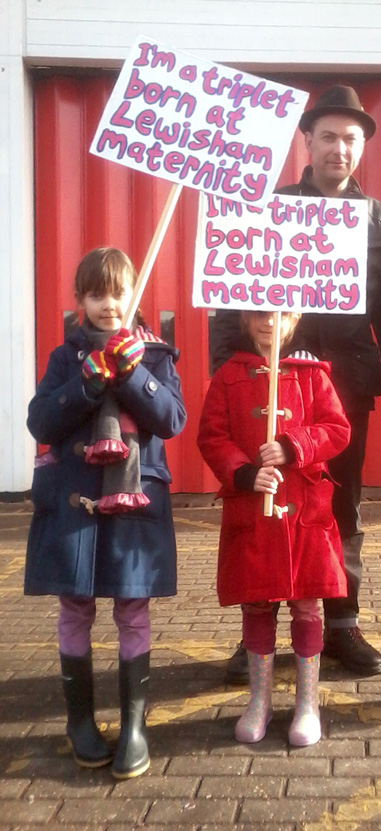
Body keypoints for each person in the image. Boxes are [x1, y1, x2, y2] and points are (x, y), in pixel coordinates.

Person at [211, 85, 381, 680]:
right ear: (307, 140)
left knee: (338, 506)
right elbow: (231, 301)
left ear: (362, 148)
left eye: (351, 139)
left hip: (343, 387)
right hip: (269, 385)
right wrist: (226, 370)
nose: (340, 148)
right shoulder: (269, 208)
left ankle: (343, 625)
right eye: (329, 136)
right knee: (264, 501)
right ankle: (260, 630)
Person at [24, 247, 187, 778]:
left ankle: (134, 727)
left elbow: (171, 420)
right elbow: (41, 423)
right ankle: (80, 723)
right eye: (96, 293)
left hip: (134, 506)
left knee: (132, 611)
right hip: (75, 508)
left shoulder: (157, 355)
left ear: (134, 295)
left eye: (118, 292)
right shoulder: (63, 357)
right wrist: (88, 382)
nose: (108, 304)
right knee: (75, 609)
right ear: (80, 300)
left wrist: (135, 374)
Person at [197, 311, 351, 746]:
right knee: (257, 606)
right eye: (259, 313)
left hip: (303, 511)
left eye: (279, 313)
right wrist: (243, 473)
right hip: (254, 511)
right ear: (245, 318)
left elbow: (337, 429)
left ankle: (307, 703)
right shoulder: (228, 375)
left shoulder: (311, 374)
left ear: (295, 317)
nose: (269, 321)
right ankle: (259, 700)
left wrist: (292, 445)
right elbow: (212, 436)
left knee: (306, 605)